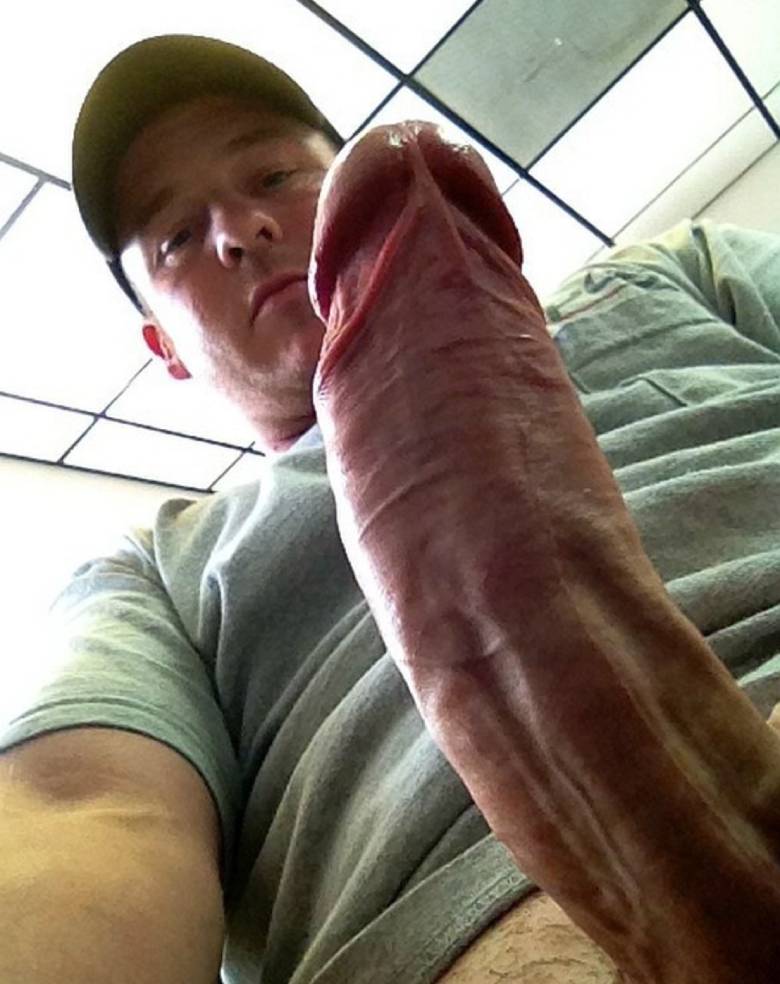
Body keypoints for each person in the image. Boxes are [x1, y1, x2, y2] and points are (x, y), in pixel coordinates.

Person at [2, 32, 779, 984]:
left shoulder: (670, 271)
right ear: (164, 346)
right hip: (465, 920)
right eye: (177, 238)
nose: (240, 229)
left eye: (275, 175)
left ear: (345, 193)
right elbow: (85, 809)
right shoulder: (154, 572)